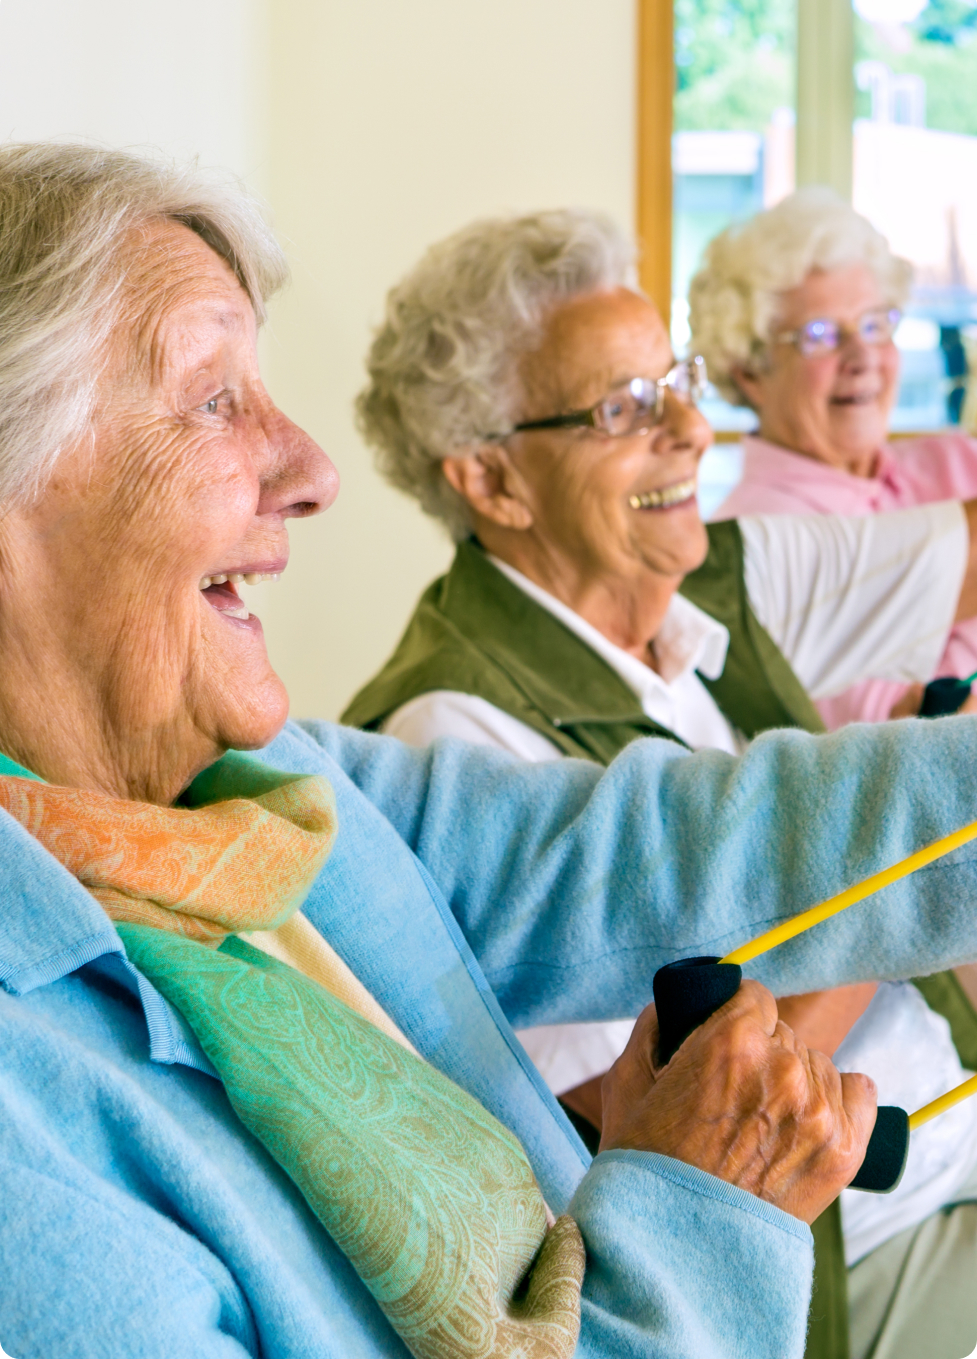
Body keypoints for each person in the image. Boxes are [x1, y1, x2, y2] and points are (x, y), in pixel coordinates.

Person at [344, 208, 977, 1359]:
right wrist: (890, 882)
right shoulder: (452, 732)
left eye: (674, 382)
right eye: (623, 410)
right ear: (491, 477)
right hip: (847, 1247)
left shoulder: (710, 583)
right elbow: (631, 1127)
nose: (691, 429)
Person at [689, 186, 977, 727]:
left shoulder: (956, 463)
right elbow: (909, 734)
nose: (862, 355)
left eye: (874, 324)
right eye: (818, 335)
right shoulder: (747, 547)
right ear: (749, 369)